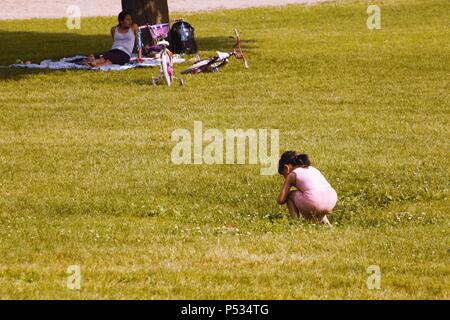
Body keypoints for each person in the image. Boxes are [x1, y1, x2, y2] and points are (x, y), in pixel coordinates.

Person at [277, 151, 337, 225]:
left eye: (284, 174)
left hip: (315, 202)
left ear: (286, 168)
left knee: (289, 196)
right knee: (314, 195)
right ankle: (326, 224)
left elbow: (280, 200)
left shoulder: (292, 175)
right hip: (331, 200)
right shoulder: (311, 169)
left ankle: (296, 224)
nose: (285, 178)